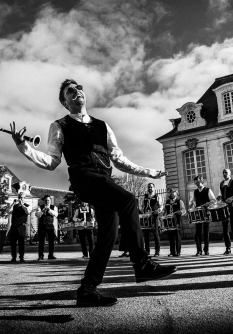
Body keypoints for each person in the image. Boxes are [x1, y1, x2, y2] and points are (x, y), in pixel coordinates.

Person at [10, 78, 176, 307]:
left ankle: (87, 289)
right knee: (128, 200)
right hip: (83, 178)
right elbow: (51, 161)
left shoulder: (103, 126)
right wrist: (24, 147)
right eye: (70, 91)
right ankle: (142, 263)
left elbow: (118, 159)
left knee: (107, 235)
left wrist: (147, 171)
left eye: (79, 89)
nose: (76, 92)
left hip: (103, 179)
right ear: (65, 102)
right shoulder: (59, 126)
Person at [217, 169, 233, 255]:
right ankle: (228, 248)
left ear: (229, 173)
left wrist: (232, 198)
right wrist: (219, 198)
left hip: (232, 207)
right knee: (225, 228)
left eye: (226, 172)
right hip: (224, 208)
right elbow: (220, 194)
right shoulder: (221, 184)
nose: (224, 174)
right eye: (223, 173)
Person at [189, 175, 216, 256]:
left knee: (206, 232)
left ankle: (206, 249)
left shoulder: (208, 190)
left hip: (206, 213)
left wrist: (206, 205)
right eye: (195, 183)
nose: (196, 184)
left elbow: (214, 200)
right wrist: (191, 205)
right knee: (198, 232)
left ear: (201, 181)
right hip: (198, 214)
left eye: (198, 182)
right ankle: (199, 250)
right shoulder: (195, 192)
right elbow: (192, 201)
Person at [7, 192, 31, 262]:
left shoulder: (27, 205)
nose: (20, 199)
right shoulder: (14, 206)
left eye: (22, 197)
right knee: (13, 242)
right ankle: (13, 257)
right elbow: (8, 211)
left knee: (21, 242)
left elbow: (27, 212)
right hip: (14, 225)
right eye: (19, 197)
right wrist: (12, 204)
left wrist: (22, 205)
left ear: (24, 198)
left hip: (21, 226)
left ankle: (21, 257)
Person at [140, 183, 162, 257]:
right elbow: (141, 206)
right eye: (149, 187)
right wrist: (143, 211)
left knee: (156, 234)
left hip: (154, 217)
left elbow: (161, 206)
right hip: (146, 217)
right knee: (146, 235)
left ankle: (157, 251)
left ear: (154, 188)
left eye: (151, 187)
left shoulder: (157, 196)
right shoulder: (145, 197)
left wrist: (157, 211)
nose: (150, 188)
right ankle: (147, 251)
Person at [164, 188, 186, 257]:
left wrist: (181, 212)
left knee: (177, 237)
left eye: (173, 192)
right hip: (169, 222)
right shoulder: (167, 202)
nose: (171, 194)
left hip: (177, 221)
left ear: (176, 193)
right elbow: (164, 211)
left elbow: (184, 209)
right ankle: (172, 252)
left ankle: (178, 251)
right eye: (170, 192)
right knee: (171, 237)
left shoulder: (179, 201)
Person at [35, 195, 58, 260]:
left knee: (51, 241)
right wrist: (43, 211)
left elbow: (56, 214)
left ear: (50, 200)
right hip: (42, 225)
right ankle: (41, 255)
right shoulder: (40, 207)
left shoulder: (54, 207)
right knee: (41, 241)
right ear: (44, 200)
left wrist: (49, 210)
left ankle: (51, 255)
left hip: (50, 225)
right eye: (46, 200)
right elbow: (37, 215)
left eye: (48, 200)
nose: (47, 201)